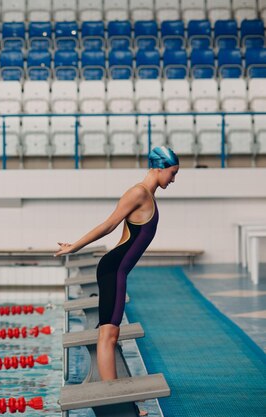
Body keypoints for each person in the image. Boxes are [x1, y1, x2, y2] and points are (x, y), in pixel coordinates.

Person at [54, 146, 179, 416]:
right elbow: (109, 225)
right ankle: (113, 403)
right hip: (113, 270)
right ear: (159, 168)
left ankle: (116, 400)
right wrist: (74, 246)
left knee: (110, 333)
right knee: (108, 334)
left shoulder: (147, 195)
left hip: (117, 271)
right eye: (172, 173)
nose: (173, 179)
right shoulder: (138, 193)